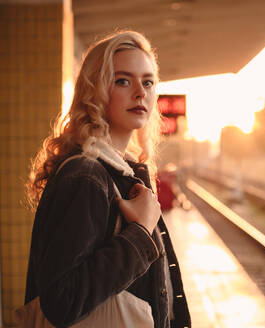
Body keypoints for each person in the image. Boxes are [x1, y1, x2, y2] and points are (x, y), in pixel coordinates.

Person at [23, 30, 191, 327]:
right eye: (123, 80)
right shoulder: (86, 177)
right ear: (95, 90)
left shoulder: (119, 172)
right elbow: (61, 300)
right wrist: (139, 233)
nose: (141, 92)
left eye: (148, 82)